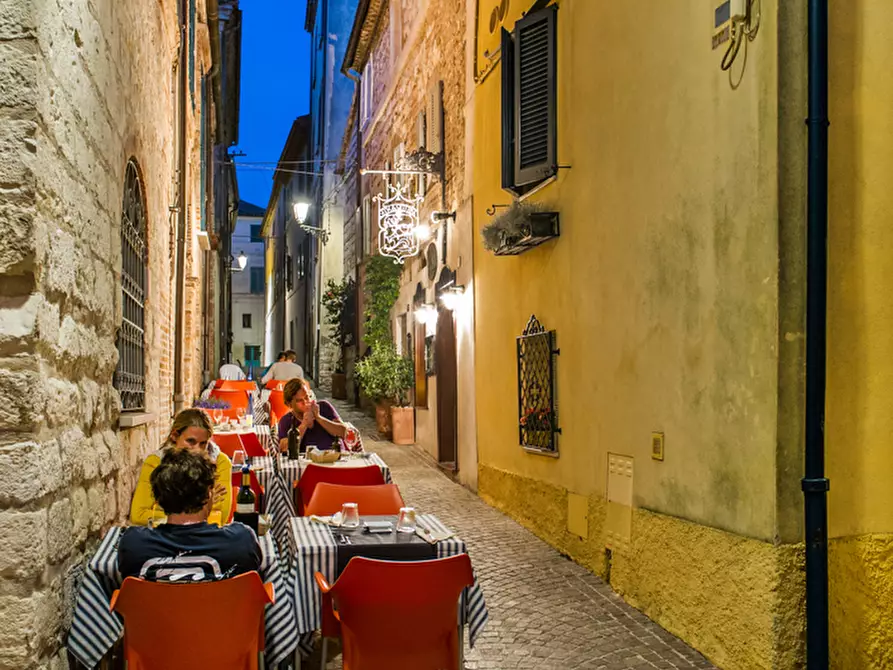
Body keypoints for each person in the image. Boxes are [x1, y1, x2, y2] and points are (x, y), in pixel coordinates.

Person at [119, 447, 261, 582]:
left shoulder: (133, 545)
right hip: (221, 607)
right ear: (208, 495)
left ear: (159, 500)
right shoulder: (242, 542)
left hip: (152, 608)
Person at [130, 409, 233, 526]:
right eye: (191, 441)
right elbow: (138, 515)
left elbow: (220, 517)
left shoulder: (220, 463)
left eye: (203, 443)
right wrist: (205, 507)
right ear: (174, 436)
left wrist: (162, 509)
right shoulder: (155, 462)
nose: (197, 450)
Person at [277, 378, 355, 454]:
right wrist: (304, 424)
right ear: (289, 404)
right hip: (309, 463)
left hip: (337, 458)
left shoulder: (324, 407)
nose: (306, 402)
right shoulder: (286, 421)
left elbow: (344, 432)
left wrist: (319, 418)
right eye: (299, 400)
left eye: (307, 397)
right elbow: (284, 449)